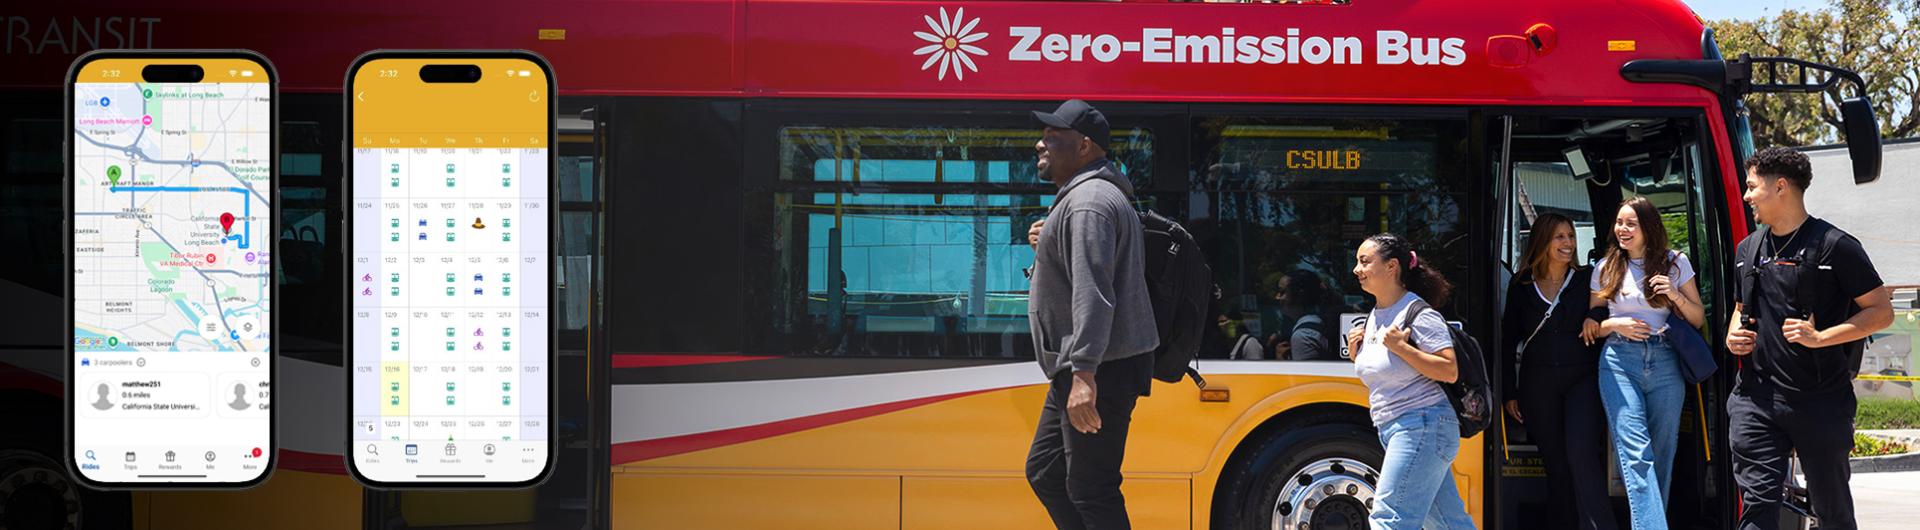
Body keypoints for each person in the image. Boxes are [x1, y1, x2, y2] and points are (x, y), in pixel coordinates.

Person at [1726, 147, 1893, 530]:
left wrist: (1820, 337)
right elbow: (1739, 308)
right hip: (1755, 398)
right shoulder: (1747, 250)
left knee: (1830, 509)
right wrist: (1732, 334)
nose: (1747, 195)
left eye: (1752, 187)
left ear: (1780, 186)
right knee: (1757, 504)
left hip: (1820, 400)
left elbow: (1881, 311)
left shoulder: (1837, 247)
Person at [1021, 99, 1160, 530]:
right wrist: (1044, 250)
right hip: (1086, 364)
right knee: (1047, 472)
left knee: (1091, 487)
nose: (1039, 144)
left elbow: (1094, 290)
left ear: (1083, 146)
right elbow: (1078, 277)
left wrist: (1084, 373)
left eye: (1051, 136)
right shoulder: (1085, 199)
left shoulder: (1089, 203)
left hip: (1099, 368)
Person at [1586, 196, 1706, 530]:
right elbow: (1592, 324)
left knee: (1662, 453)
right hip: (1618, 361)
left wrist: (1675, 295)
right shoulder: (1605, 267)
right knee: (1636, 454)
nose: (1622, 230)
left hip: (1667, 360)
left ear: (1648, 228)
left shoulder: (1675, 262)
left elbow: (1697, 318)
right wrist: (1614, 325)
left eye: (1630, 223)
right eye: (1619, 223)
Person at [1342, 233, 1477, 530]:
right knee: (1447, 522)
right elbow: (1389, 371)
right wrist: (1358, 356)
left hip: (1422, 425)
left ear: (1392, 267)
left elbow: (1449, 369)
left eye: (1364, 262)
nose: (1356, 269)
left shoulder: (1419, 313)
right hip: (1401, 427)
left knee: (1389, 518)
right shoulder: (1376, 314)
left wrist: (1402, 347)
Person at [1499, 213, 1616, 529]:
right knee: (1556, 465)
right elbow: (1508, 340)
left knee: (1582, 455)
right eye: (1559, 237)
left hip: (1583, 379)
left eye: (1570, 236)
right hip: (1537, 385)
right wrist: (1509, 392)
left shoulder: (1587, 277)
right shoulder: (1521, 284)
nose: (1568, 243)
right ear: (1543, 242)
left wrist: (1594, 315)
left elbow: (1602, 306)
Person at [1271, 269, 1335, 360]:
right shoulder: (1320, 321)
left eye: (1282, 292)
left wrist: (1282, 361)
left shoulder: (1303, 335)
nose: (1277, 297)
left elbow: (1305, 374)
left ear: (1299, 295)